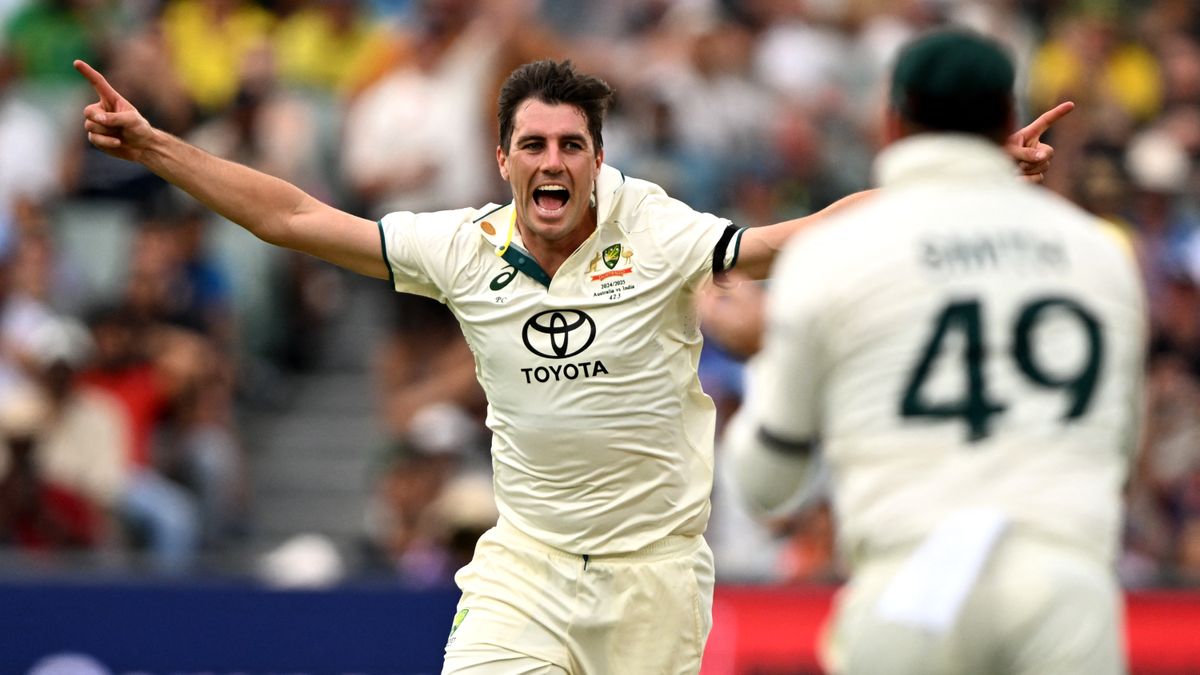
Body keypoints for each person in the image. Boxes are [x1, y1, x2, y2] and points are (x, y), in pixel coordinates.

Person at [73, 53, 1067, 673]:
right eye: (534, 145)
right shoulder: (460, 244)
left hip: (654, 583)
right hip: (528, 568)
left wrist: (971, 172)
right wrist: (158, 147)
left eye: (574, 146)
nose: (554, 163)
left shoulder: (662, 232)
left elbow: (795, 236)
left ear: (599, 157)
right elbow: (295, 218)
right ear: (504, 159)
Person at [722, 30, 1146, 675]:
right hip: (1066, 590)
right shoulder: (1101, 255)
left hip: (910, 586)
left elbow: (764, 483)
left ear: (892, 123)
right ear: (1006, 120)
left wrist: (773, 357)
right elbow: (1120, 451)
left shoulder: (834, 258)